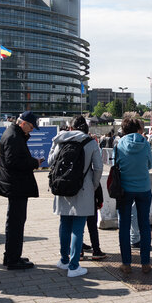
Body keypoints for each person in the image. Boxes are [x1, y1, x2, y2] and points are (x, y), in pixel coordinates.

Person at [48, 115, 103, 278]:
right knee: (78, 228)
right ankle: (74, 266)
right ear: (86, 128)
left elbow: (51, 162)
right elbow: (98, 168)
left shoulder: (60, 139)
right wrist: (92, 185)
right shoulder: (91, 142)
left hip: (63, 186)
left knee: (64, 224)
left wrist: (54, 146)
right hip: (83, 188)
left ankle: (64, 260)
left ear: (70, 127)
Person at [0, 111, 43, 270]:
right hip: (16, 186)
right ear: (22, 123)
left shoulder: (14, 134)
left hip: (15, 185)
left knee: (16, 222)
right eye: (31, 127)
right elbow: (13, 162)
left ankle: (13, 255)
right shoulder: (13, 137)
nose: (31, 130)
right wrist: (34, 162)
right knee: (16, 223)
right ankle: (12, 258)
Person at [114, 117, 152, 274]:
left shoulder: (119, 144)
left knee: (124, 225)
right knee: (144, 225)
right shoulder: (146, 143)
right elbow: (149, 164)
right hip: (144, 188)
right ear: (138, 129)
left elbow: (116, 164)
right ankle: (145, 263)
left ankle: (126, 264)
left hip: (125, 189)